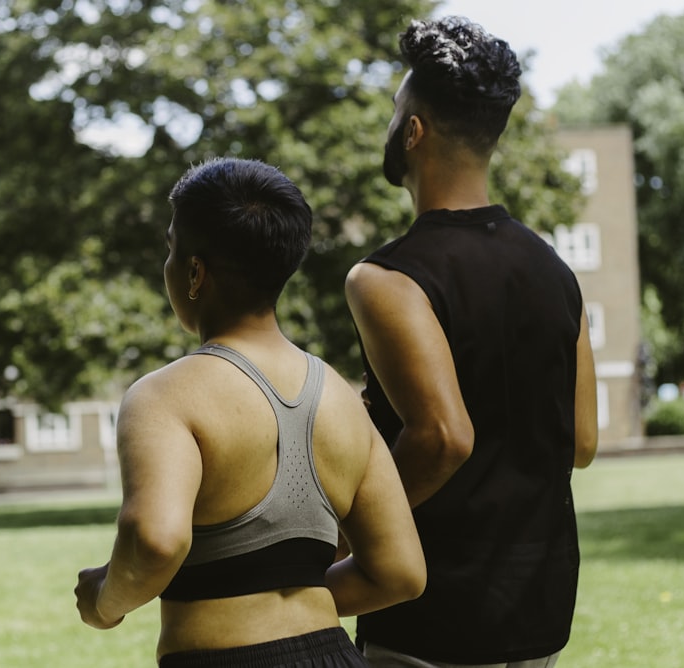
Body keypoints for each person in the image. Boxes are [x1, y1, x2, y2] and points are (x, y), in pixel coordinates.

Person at [75, 157, 427, 667]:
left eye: (172, 248)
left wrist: (104, 602)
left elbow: (156, 541)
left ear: (195, 272)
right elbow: (401, 572)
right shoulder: (342, 398)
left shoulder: (165, 397)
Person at [344, 17, 599, 668]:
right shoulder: (553, 268)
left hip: (430, 616)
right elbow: (585, 440)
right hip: (539, 606)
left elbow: (442, 438)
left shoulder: (386, 279)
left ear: (414, 130)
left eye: (397, 108)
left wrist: (349, 530)